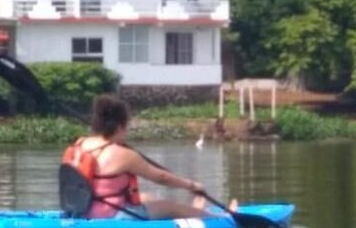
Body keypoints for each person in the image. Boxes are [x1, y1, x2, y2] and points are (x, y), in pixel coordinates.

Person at [68, 94, 236, 220]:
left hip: (83, 210)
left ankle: (194, 212)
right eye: (126, 128)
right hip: (110, 215)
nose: (126, 132)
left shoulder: (80, 143)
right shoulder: (123, 155)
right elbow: (161, 177)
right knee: (171, 207)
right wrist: (192, 185)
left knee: (146, 198)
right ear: (119, 127)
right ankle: (220, 219)